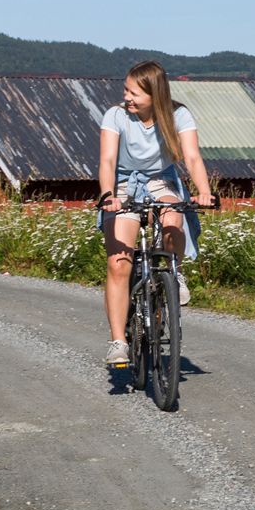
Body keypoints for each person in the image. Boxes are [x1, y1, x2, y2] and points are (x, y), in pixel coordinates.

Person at [97, 59, 216, 367]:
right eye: (126, 90)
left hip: (160, 180)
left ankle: (173, 275)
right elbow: (108, 160)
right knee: (119, 263)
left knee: (174, 215)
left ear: (154, 94)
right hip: (123, 183)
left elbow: (191, 156)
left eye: (134, 93)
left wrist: (204, 192)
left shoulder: (178, 115)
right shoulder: (116, 116)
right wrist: (108, 195)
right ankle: (118, 342)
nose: (127, 97)